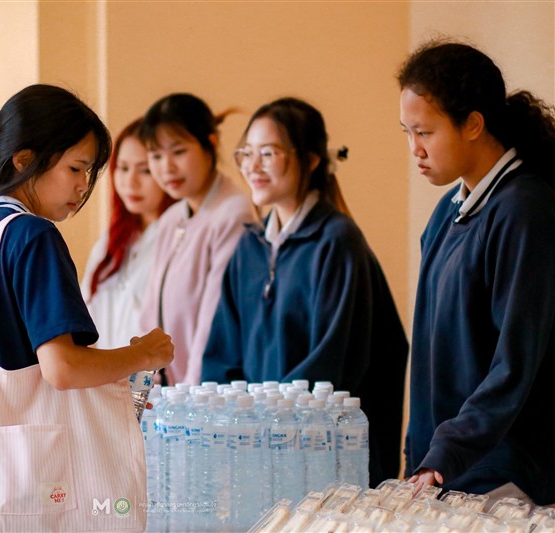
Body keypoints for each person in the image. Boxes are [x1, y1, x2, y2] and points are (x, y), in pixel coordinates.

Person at [0, 84, 173, 396]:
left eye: (88, 172)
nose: (83, 185)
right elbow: (63, 368)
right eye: (75, 168)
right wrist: (144, 354)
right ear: (23, 160)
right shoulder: (32, 235)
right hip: (12, 427)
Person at [200, 97, 408, 485]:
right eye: (247, 153)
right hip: (260, 453)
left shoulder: (337, 241)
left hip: (327, 459)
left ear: (311, 160)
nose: (253, 166)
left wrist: (266, 423)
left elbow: (332, 363)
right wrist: (233, 424)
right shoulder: (250, 247)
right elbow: (222, 355)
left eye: (268, 153)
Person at [399, 41, 555, 505]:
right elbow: (431, 357)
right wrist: (421, 455)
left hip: (506, 476)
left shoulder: (524, 210)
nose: (415, 149)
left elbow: (515, 362)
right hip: (448, 470)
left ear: (472, 124)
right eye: (407, 132)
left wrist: (449, 450)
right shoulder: (446, 214)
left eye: (425, 132)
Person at [138, 93, 256, 386]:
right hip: (167, 393)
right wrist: (141, 387)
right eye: (156, 156)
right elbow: (149, 315)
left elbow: (213, 322)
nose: (167, 167)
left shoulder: (234, 214)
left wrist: (191, 395)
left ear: (210, 144)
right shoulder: (171, 218)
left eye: (178, 151)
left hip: (205, 392)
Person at [81, 119, 175, 349]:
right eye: (123, 168)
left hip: (160, 371)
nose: (130, 182)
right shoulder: (110, 241)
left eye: (145, 170)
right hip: (105, 369)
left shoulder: (180, 239)